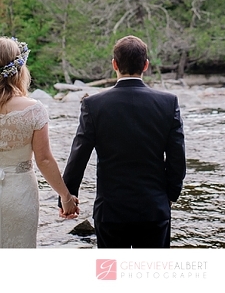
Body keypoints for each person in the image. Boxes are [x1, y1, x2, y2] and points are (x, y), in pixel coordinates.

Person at [61, 35, 186, 248]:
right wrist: (170, 195)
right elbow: (177, 159)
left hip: (111, 210)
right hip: (154, 208)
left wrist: (68, 197)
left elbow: (78, 156)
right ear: (146, 65)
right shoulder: (168, 103)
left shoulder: (93, 105)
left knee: (111, 276)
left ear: (114, 65)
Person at [0, 36, 79, 248]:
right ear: (19, 69)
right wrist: (66, 197)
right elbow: (44, 160)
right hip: (19, 195)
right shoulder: (33, 110)